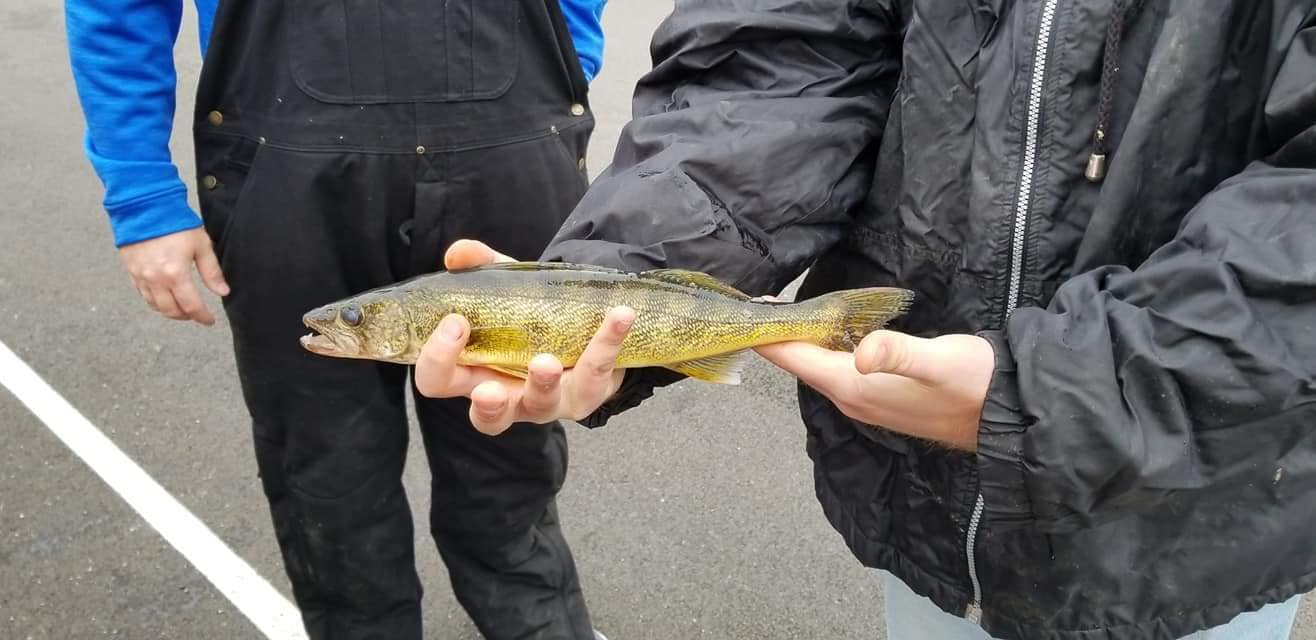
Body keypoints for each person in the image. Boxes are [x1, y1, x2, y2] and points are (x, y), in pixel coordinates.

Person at [413, 1, 1316, 639]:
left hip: (1198, 520)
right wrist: (618, 276)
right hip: (924, 505)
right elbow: (777, 53)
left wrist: (1070, 391)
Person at [64, 0, 612, 638]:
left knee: (509, 449)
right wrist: (143, 195)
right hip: (289, 177)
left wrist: (560, 58)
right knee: (328, 476)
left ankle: (537, 621)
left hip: (509, 157)